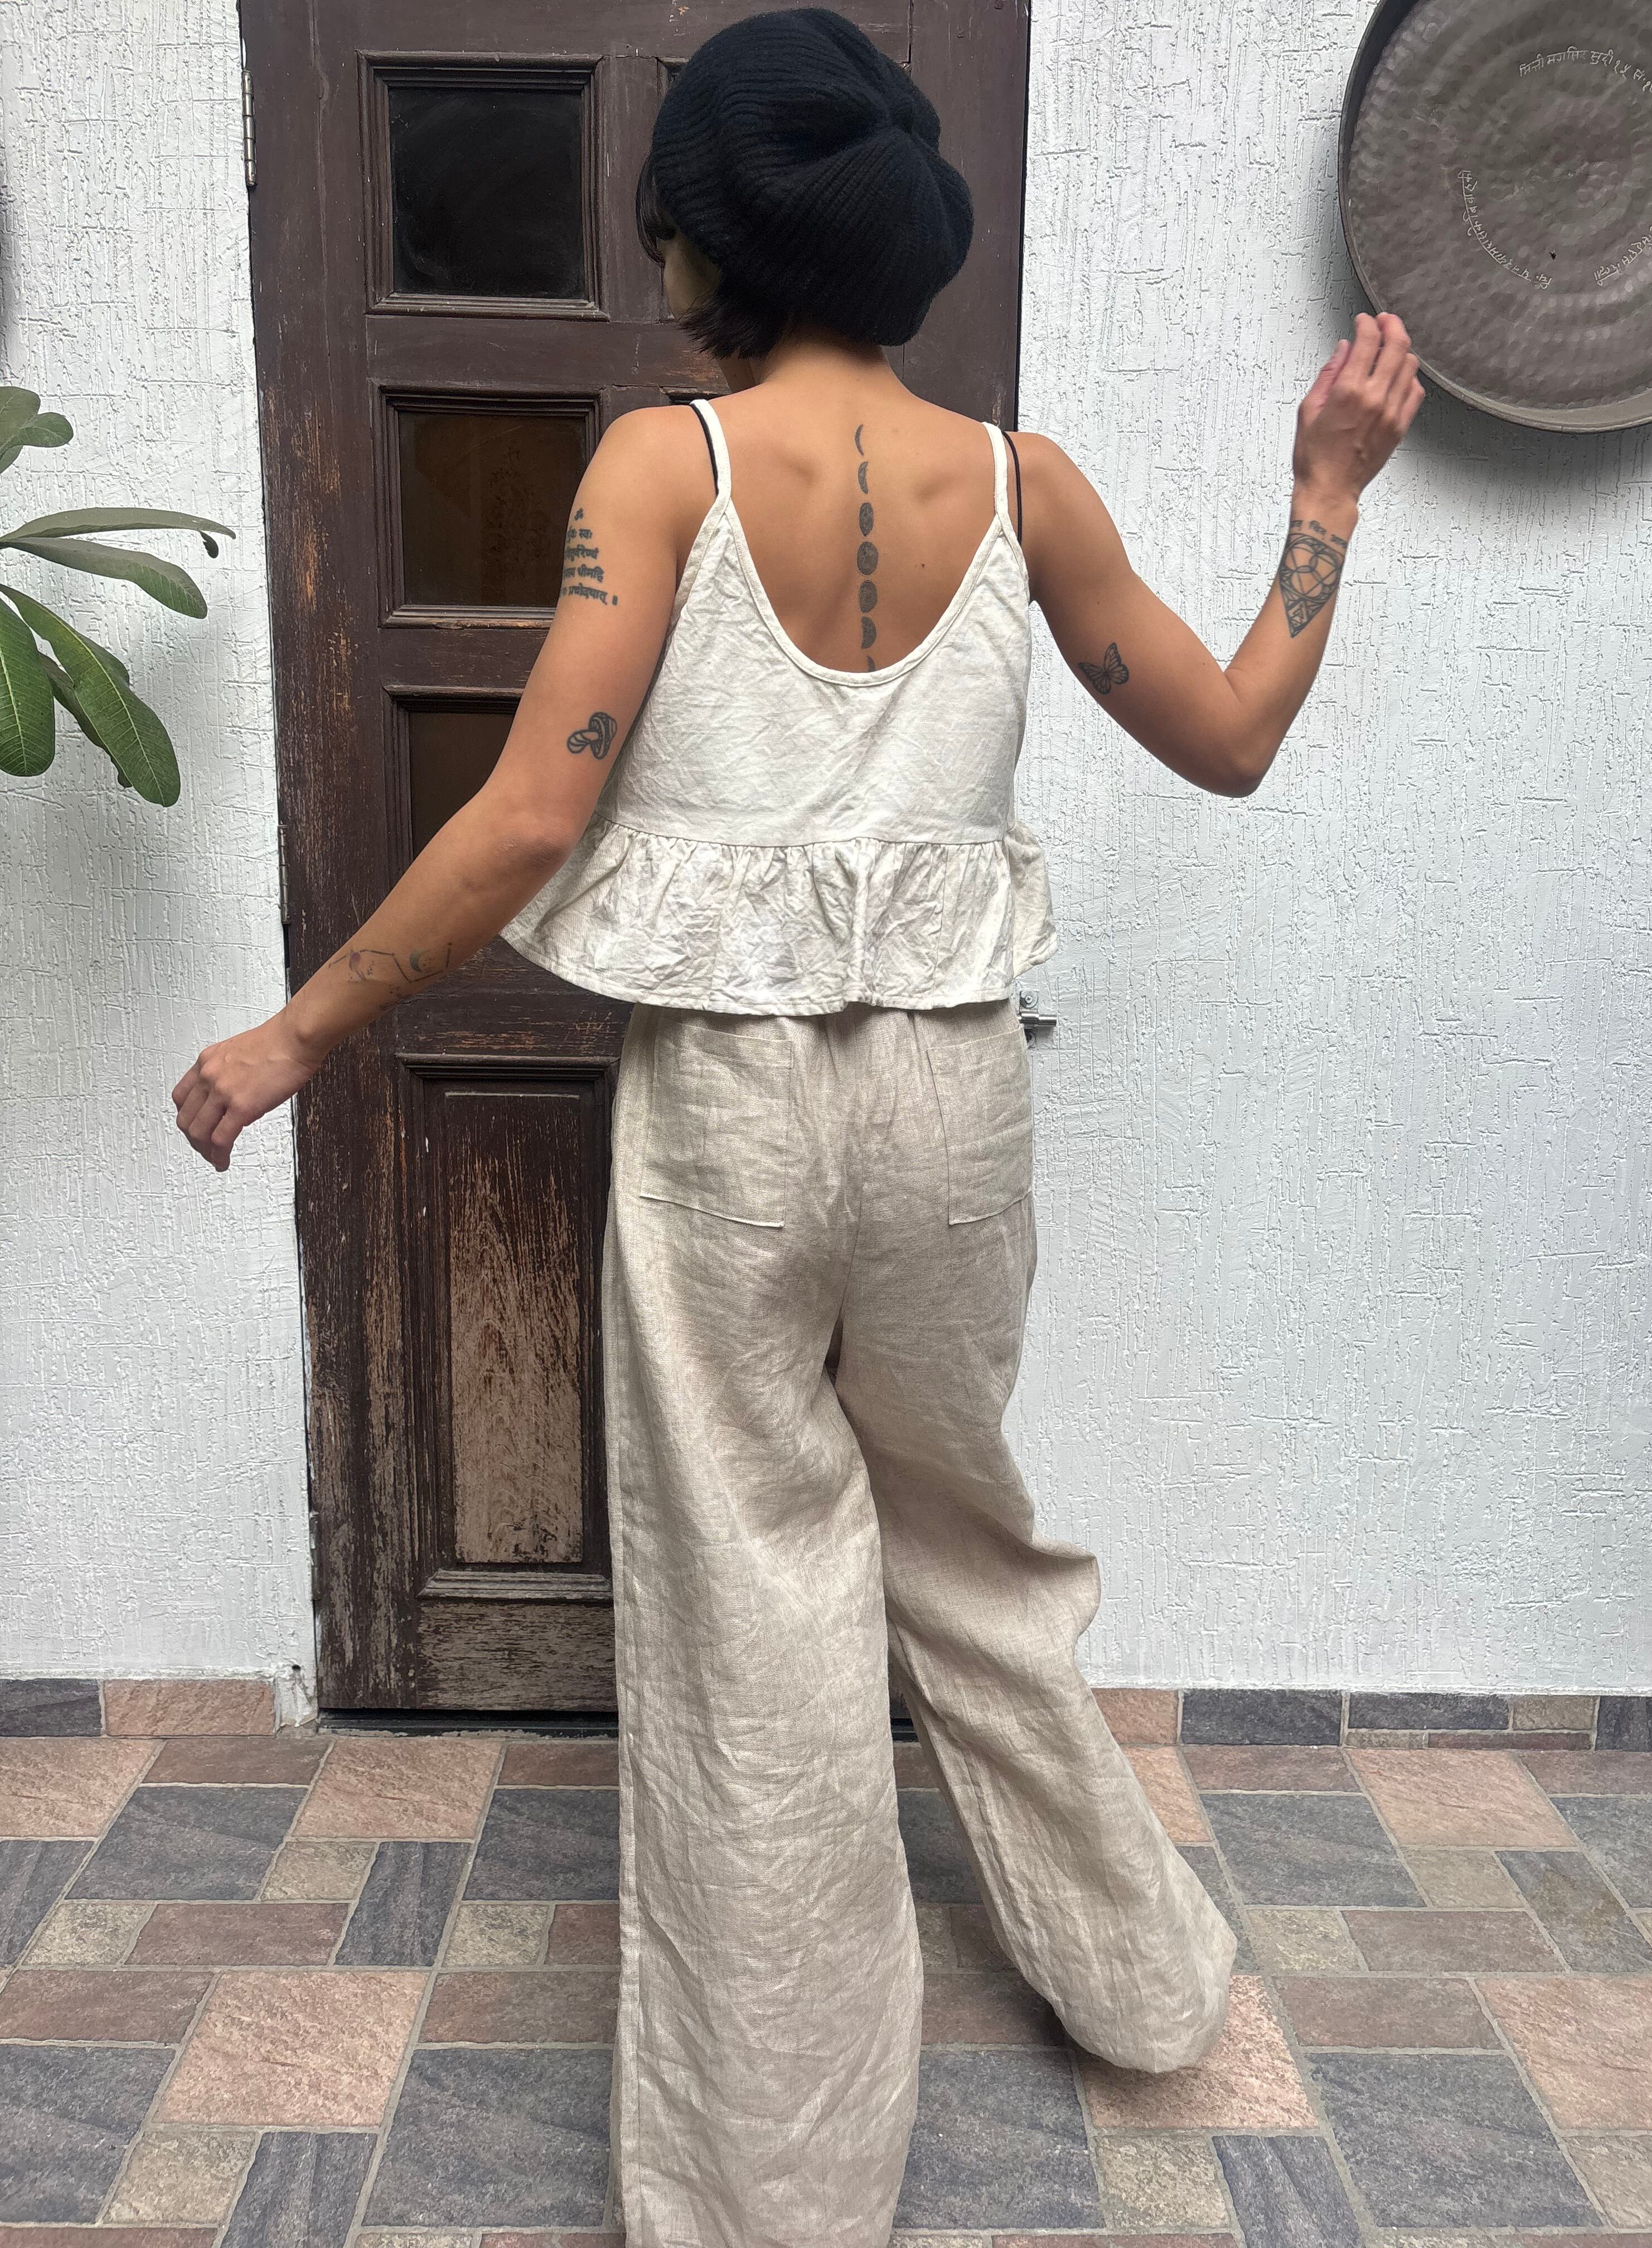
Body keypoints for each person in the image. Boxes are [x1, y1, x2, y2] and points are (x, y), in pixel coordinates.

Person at [172, 9, 1423, 2243]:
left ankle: (774, 2185)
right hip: (954, 1107)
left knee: (754, 1615)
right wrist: (1323, 499)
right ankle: (1146, 1982)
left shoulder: (659, 468)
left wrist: (298, 1033)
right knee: (972, 1548)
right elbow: (1231, 735)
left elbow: (533, 813)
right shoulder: (1026, 485)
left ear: (703, 245)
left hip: (737, 1113)